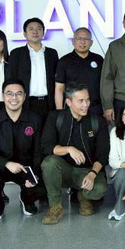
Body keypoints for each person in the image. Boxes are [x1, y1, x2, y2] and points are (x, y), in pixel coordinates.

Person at [40, 83, 110, 225]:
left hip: (87, 172)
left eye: (87, 100)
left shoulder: (97, 121)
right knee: (49, 163)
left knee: (99, 189)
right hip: (64, 171)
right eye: (80, 101)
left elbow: (103, 154)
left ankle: (83, 196)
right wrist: (69, 149)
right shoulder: (55, 117)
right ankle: (55, 206)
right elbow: (46, 147)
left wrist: (92, 174)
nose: (86, 105)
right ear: (68, 102)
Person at [0, 79, 45, 223]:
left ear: (25, 96)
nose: (14, 98)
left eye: (18, 94)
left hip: (25, 168)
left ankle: (27, 199)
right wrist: (6, 163)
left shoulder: (35, 119)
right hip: (1, 167)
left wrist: (34, 174)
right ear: (3, 96)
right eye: (9, 94)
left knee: (43, 184)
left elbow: (38, 151)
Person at [8, 17, 59, 123]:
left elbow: (57, 79)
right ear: (25, 33)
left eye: (39, 29)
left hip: (48, 103)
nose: (35, 31)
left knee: (48, 132)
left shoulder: (52, 53)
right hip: (26, 103)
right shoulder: (16, 54)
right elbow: (11, 79)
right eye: (31, 29)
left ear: (43, 33)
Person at [55, 27, 104, 118]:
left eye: (86, 39)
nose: (82, 42)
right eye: (79, 39)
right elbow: (59, 88)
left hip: (95, 108)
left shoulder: (99, 59)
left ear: (91, 42)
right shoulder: (64, 61)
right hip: (73, 109)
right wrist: (60, 112)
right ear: (73, 41)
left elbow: (105, 85)